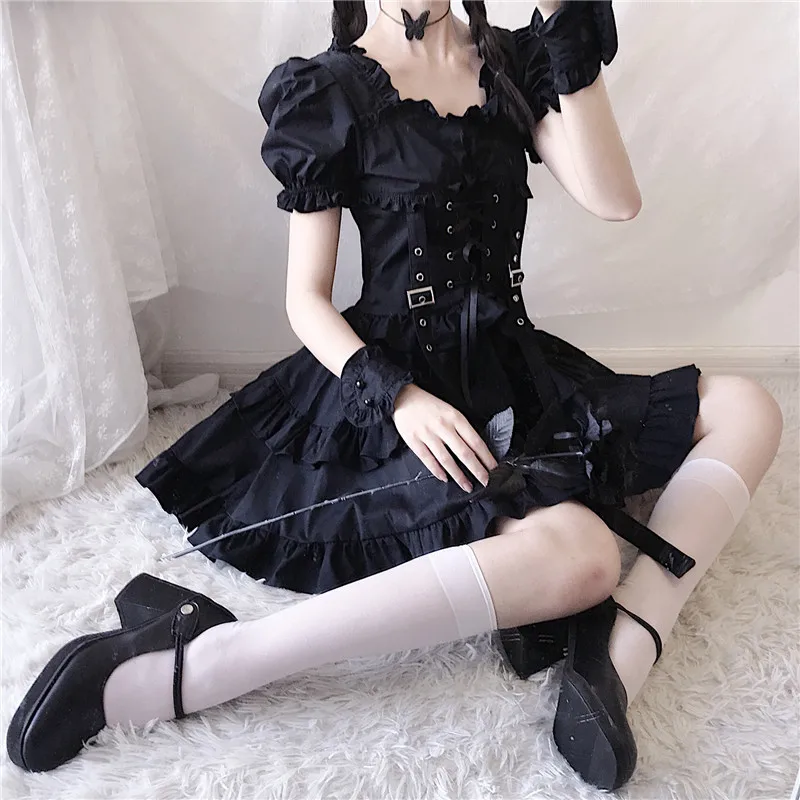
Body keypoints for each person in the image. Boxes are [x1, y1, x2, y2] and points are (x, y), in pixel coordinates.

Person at [7, 0, 783, 791]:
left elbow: (615, 198)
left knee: (747, 408)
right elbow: (306, 300)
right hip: (395, 383)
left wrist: (561, 19)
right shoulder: (329, 90)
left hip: (513, 367)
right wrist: (399, 398)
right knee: (583, 555)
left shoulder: (510, 64)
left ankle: (626, 642)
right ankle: (206, 660)